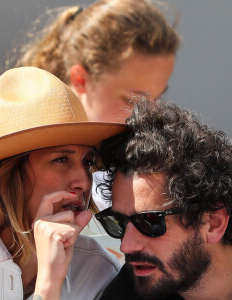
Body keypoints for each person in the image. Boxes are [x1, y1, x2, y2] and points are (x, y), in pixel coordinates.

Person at [0, 67, 127, 300]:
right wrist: (47, 287)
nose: (84, 182)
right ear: (7, 176)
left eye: (88, 161)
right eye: (61, 159)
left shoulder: (97, 270)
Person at [10, 0, 181, 214]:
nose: (150, 115)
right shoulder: (17, 156)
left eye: (158, 98)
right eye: (133, 100)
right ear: (80, 79)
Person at [95, 99, 232, 300]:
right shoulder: (124, 294)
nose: (126, 245)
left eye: (150, 221)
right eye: (119, 223)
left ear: (213, 223)